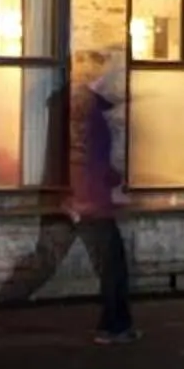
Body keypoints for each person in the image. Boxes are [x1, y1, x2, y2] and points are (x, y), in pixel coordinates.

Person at [71, 65, 135, 343]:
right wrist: (109, 182)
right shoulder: (94, 119)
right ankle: (114, 328)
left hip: (87, 202)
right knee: (114, 269)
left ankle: (116, 325)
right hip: (93, 205)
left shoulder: (88, 115)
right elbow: (92, 162)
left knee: (112, 268)